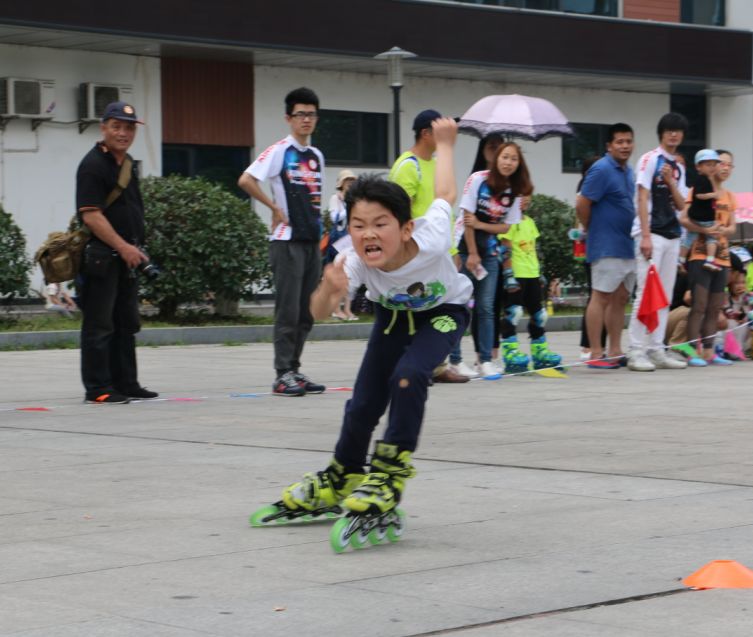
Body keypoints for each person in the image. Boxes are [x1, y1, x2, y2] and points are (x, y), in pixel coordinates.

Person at [273, 118, 471, 523]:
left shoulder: (432, 237)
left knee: (410, 374)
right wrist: (329, 289)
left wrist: (446, 145)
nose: (369, 235)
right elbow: (316, 314)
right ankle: (343, 474)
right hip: (394, 318)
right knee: (363, 401)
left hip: (444, 313)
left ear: (405, 226)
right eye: (359, 226)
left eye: (381, 224)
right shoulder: (353, 261)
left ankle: (389, 473)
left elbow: (446, 193)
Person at [238, 87, 327, 397]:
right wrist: (273, 207)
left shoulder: (316, 156)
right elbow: (246, 179)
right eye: (300, 114)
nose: (306, 120)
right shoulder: (279, 151)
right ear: (289, 118)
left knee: (306, 312)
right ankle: (282, 373)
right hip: (285, 241)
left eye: (311, 114)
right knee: (288, 311)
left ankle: (295, 369)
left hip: (310, 241)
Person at [76, 101, 158, 404]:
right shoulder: (93, 165)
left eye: (129, 127)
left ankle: (126, 383)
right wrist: (122, 246)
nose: (123, 133)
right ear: (104, 128)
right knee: (99, 325)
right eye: (117, 126)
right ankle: (98, 388)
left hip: (127, 257)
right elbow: (91, 214)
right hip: (101, 256)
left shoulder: (126, 164)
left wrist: (135, 247)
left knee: (126, 322)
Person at [389, 108, 468, 384]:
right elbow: (399, 212)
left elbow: (444, 208)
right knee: (415, 309)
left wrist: (453, 251)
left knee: (441, 307)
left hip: (440, 252)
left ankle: (437, 364)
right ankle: (412, 364)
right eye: (440, 131)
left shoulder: (436, 163)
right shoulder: (407, 165)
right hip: (417, 253)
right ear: (425, 133)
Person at [626, 112, 690, 372]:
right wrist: (645, 235)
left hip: (672, 234)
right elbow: (641, 197)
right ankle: (635, 350)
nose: (673, 134)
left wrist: (671, 181)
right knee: (645, 293)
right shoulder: (649, 159)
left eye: (678, 131)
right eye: (669, 130)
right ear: (661, 133)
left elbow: (682, 203)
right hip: (650, 233)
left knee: (663, 295)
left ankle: (656, 348)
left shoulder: (679, 166)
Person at [576, 123, 637, 369]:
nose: (624, 146)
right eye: (619, 142)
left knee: (621, 298)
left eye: (628, 141)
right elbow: (582, 203)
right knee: (600, 296)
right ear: (609, 146)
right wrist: (591, 227)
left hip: (627, 244)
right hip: (606, 244)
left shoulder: (629, 171)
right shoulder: (601, 169)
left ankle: (615, 350)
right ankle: (596, 352)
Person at [680, 149, 737, 366]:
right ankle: (691, 350)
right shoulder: (697, 189)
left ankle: (709, 351)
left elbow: (732, 227)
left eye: (727, 164)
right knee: (699, 305)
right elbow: (684, 219)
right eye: (718, 163)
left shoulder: (729, 196)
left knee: (715, 307)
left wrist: (721, 231)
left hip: (722, 256)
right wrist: (704, 231)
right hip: (699, 255)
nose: (722, 167)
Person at [498, 207, 562, 371]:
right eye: (521, 195)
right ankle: (510, 353)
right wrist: (508, 274)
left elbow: (533, 249)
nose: (525, 199)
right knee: (514, 313)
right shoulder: (508, 222)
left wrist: (539, 273)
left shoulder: (530, 222)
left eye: (527, 195)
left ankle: (539, 352)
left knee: (540, 315)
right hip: (517, 274)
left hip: (532, 273)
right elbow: (505, 249)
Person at [679, 149, 723, 271]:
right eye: (708, 165)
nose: (712, 168)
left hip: (700, 217)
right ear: (698, 167)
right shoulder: (700, 180)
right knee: (711, 238)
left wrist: (712, 180)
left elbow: (715, 192)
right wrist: (712, 195)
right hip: (703, 217)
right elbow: (699, 195)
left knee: (689, 238)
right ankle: (710, 259)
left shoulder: (708, 179)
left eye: (714, 165)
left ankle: (681, 259)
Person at [327, 169, 358, 320]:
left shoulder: (355, 198)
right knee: (340, 273)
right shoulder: (336, 198)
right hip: (339, 241)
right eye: (348, 180)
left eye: (352, 180)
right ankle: (335, 309)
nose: (350, 183)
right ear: (342, 183)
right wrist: (347, 207)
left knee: (351, 274)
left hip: (351, 239)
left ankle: (348, 309)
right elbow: (334, 218)